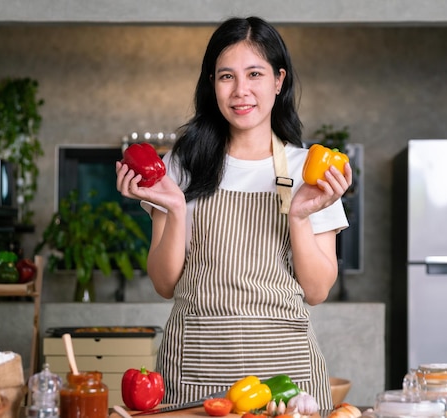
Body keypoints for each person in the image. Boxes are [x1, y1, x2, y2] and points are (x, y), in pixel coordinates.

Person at [116, 16, 352, 409]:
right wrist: (174, 206)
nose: (241, 91)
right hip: (195, 371)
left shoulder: (310, 169)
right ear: (212, 84)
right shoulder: (179, 166)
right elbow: (164, 284)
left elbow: (316, 291)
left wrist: (297, 217)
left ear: (279, 80)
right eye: (227, 76)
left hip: (286, 379)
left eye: (255, 74)